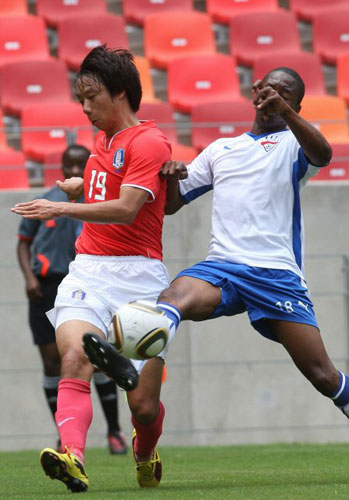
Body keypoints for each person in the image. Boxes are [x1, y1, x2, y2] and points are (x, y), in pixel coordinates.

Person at [84, 68, 349, 445]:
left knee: (324, 377)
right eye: (269, 89)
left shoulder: (294, 144)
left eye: (285, 94)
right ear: (255, 95)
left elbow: (324, 153)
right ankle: (130, 360)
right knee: (172, 299)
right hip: (222, 267)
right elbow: (172, 205)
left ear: (296, 105)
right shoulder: (223, 149)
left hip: (275, 274)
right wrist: (172, 176)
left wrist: (287, 114)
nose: (274, 96)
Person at [12, 45, 173, 493]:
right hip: (88, 271)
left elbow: (126, 209)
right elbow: (112, 187)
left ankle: (144, 449)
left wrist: (61, 207)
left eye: (92, 97)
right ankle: (73, 456)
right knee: (74, 356)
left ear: (120, 93)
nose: (84, 108)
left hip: (139, 276)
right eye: (80, 99)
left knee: (143, 406)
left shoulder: (150, 142)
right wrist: (81, 185)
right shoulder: (103, 140)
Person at [17, 144, 127, 456]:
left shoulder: (99, 199)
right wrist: (28, 277)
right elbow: (23, 244)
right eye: (70, 165)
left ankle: (115, 432)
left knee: (98, 357)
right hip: (46, 286)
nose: (75, 171)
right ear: (62, 166)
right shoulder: (48, 199)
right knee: (53, 362)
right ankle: (63, 433)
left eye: (82, 165)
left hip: (89, 283)